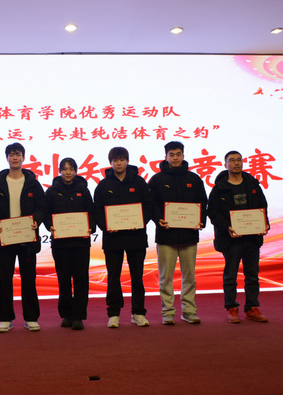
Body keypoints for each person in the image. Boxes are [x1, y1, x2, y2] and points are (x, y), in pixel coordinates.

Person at [0, 143, 46, 333]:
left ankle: (31, 318)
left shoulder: (32, 182)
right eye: (11, 155)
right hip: (5, 239)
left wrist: (36, 220)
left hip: (27, 239)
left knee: (29, 280)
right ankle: (6, 319)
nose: (14, 158)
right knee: (5, 280)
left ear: (23, 158)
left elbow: (42, 207)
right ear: (7, 158)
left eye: (18, 154)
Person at [148, 141, 207, 325]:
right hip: (166, 236)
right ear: (166, 157)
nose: (175, 158)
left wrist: (201, 220)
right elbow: (150, 204)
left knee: (189, 276)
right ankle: (167, 311)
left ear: (183, 155)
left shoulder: (194, 179)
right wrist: (158, 219)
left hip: (189, 236)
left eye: (178, 154)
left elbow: (202, 202)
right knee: (165, 277)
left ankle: (189, 311)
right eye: (171, 155)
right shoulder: (157, 180)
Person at [207, 150, 270, 324]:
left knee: (252, 275)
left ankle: (252, 308)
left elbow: (263, 207)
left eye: (239, 160)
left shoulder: (252, 184)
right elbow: (212, 212)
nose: (236, 163)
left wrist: (265, 224)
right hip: (230, 239)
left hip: (252, 238)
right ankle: (232, 308)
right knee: (230, 276)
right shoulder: (219, 188)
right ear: (225, 164)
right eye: (232, 160)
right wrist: (226, 226)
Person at [93, 147, 153, 328]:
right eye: (115, 160)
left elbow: (148, 206)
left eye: (121, 159)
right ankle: (114, 313)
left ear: (127, 161)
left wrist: (140, 221)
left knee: (137, 277)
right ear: (110, 162)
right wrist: (106, 226)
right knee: (113, 277)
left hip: (136, 237)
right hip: (113, 239)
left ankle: (138, 312)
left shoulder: (139, 182)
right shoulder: (103, 185)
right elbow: (97, 210)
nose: (118, 163)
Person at [44, 157, 96, 331]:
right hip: (61, 244)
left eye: (71, 169)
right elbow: (46, 213)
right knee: (64, 280)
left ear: (76, 171)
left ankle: (79, 316)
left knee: (81, 279)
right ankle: (66, 315)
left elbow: (91, 212)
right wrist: (49, 225)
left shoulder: (83, 190)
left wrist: (91, 227)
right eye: (65, 169)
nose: (68, 172)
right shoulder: (52, 191)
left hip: (81, 243)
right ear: (59, 171)